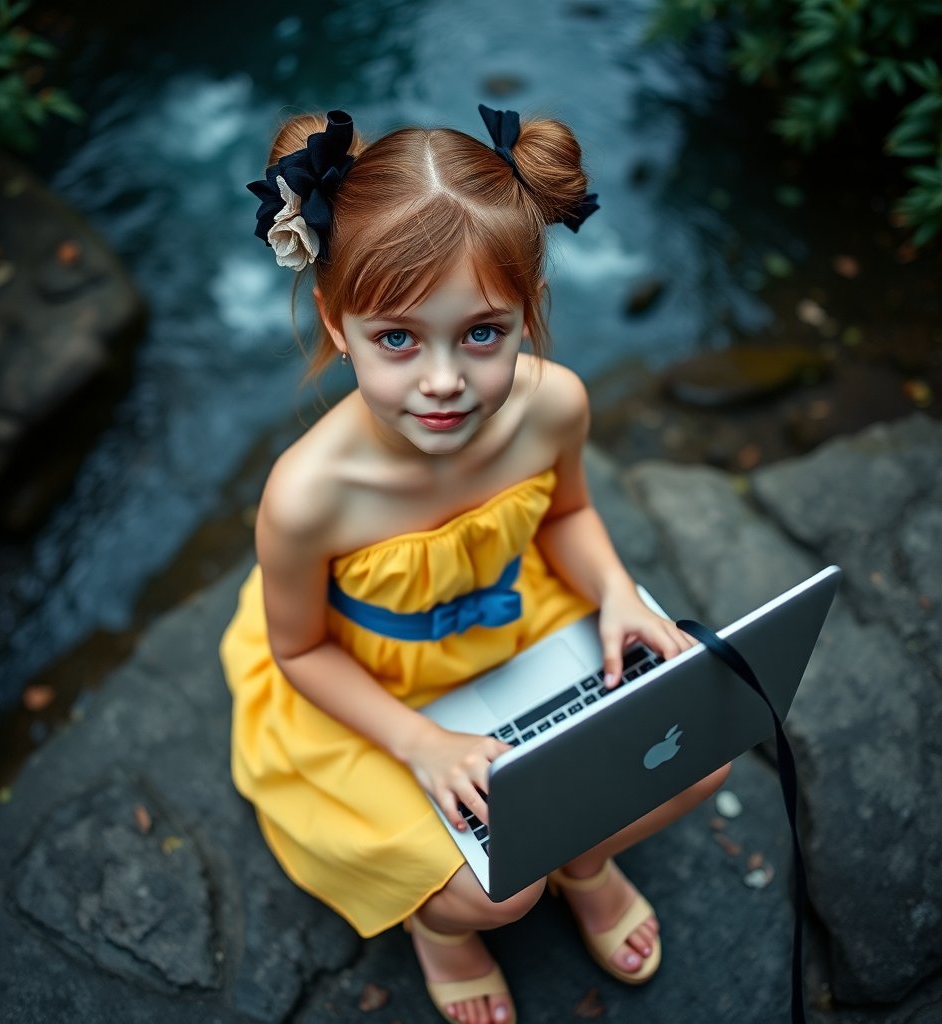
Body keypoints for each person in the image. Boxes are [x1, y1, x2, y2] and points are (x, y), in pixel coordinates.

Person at [220, 106, 729, 1024]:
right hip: (370, 683)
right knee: (496, 891)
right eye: (399, 339)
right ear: (338, 325)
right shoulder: (308, 495)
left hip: (513, 622)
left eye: (483, 333)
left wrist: (613, 590)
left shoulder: (553, 407)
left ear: (527, 307)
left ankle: (584, 858)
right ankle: (442, 933)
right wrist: (422, 745)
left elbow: (567, 512)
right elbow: (299, 654)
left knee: (701, 757)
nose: (445, 381)